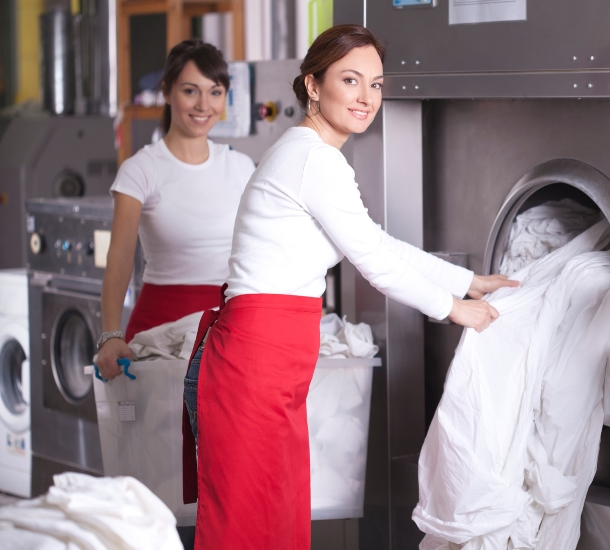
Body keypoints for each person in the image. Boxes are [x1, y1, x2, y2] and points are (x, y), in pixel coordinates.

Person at [182, 24, 519, 549]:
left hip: (268, 363)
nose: (366, 97)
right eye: (350, 80)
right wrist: (455, 308)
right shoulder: (313, 158)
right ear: (313, 85)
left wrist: (469, 281)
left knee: (275, 528)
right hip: (254, 365)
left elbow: (375, 242)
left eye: (376, 84)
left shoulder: (311, 153)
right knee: (247, 531)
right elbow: (376, 263)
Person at [95, 39, 255, 379]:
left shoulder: (241, 167)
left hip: (227, 328)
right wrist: (110, 335)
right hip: (159, 333)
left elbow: (265, 250)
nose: (203, 105)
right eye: (190, 91)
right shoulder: (141, 169)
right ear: (167, 92)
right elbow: (120, 257)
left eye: (215, 92)